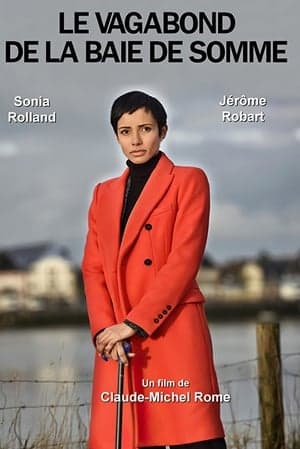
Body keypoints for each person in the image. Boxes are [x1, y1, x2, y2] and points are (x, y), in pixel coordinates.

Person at [82, 91, 226, 449]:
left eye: (145, 128)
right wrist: (104, 331)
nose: (135, 139)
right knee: (129, 436)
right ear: (116, 136)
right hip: (119, 337)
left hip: (171, 326)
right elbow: (93, 268)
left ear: (163, 130)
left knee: (192, 435)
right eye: (125, 130)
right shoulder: (103, 193)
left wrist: (135, 322)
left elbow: (184, 259)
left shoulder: (189, 180)